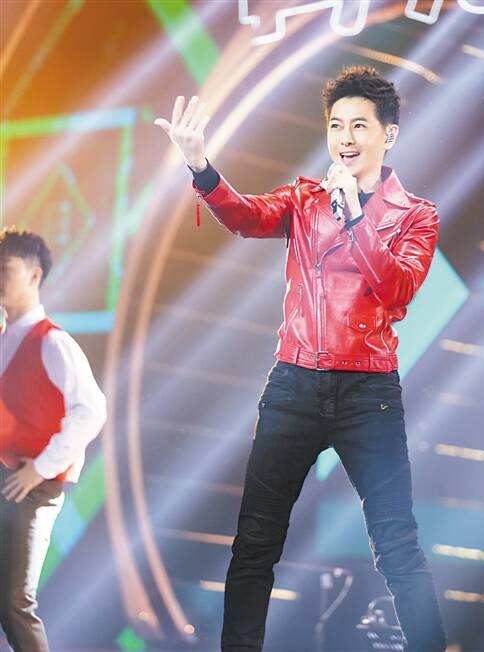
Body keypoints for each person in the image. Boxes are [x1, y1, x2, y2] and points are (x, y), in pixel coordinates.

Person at [155, 65, 447, 652]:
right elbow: (245, 217)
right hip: (294, 385)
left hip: (368, 393)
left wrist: (356, 216)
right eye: (336, 124)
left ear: (388, 134)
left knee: (396, 544)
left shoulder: (416, 215)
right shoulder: (305, 199)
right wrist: (200, 166)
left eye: (359, 125)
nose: (345, 137)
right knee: (256, 543)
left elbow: (396, 288)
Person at [0, 228, 107, 652]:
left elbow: (92, 410)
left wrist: (40, 468)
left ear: (34, 275)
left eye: (5, 270)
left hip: (32, 486)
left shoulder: (53, 341)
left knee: (15, 603)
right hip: (7, 477)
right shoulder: (5, 340)